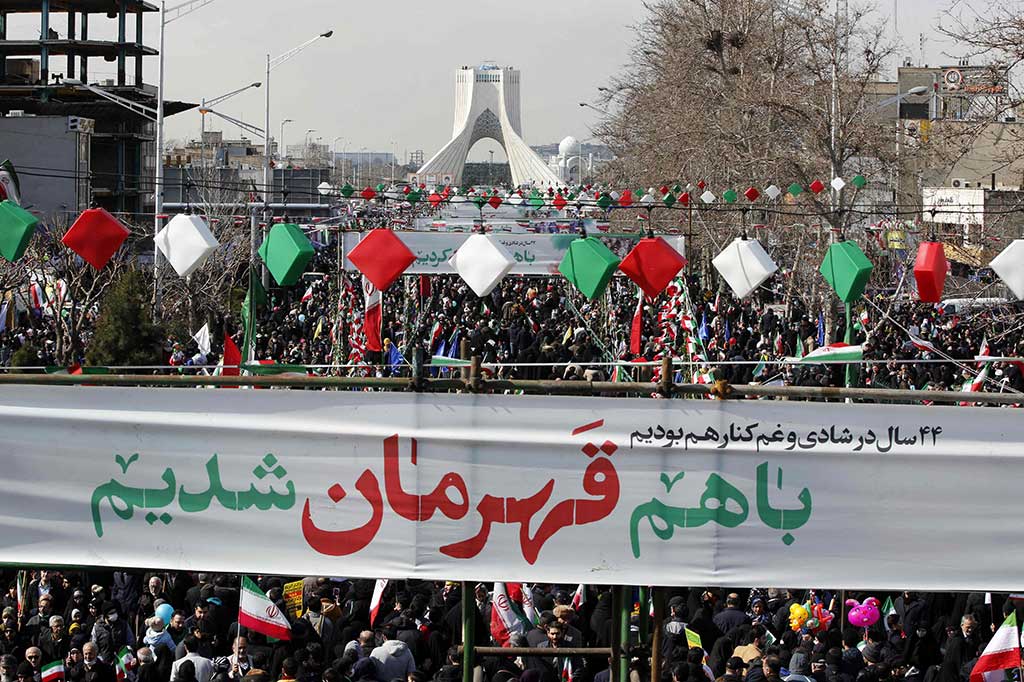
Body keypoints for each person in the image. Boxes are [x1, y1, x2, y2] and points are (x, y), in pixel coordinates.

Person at [937, 616, 977, 682]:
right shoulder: (956, 639)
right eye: (968, 627)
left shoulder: (975, 637)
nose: (970, 630)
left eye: (972, 627)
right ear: (962, 625)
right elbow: (956, 660)